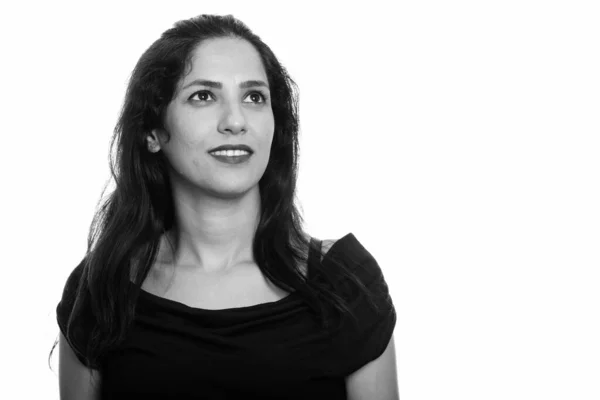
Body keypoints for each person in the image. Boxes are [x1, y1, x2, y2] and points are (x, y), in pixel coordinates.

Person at [49, 13, 398, 399]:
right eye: (203, 96)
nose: (236, 121)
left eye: (254, 97)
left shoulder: (345, 283)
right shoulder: (101, 287)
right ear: (152, 132)